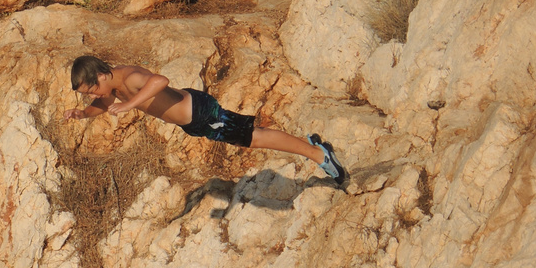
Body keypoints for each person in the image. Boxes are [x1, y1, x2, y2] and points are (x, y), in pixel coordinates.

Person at [63, 55, 347, 182]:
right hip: (194, 122)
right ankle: (309, 145)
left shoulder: (131, 77)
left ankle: (318, 154)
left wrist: (130, 106)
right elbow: (103, 103)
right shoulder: (113, 87)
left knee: (254, 138)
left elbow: (160, 81)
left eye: (92, 89)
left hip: (201, 112)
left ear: (101, 74)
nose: (93, 95)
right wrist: (83, 113)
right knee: (251, 138)